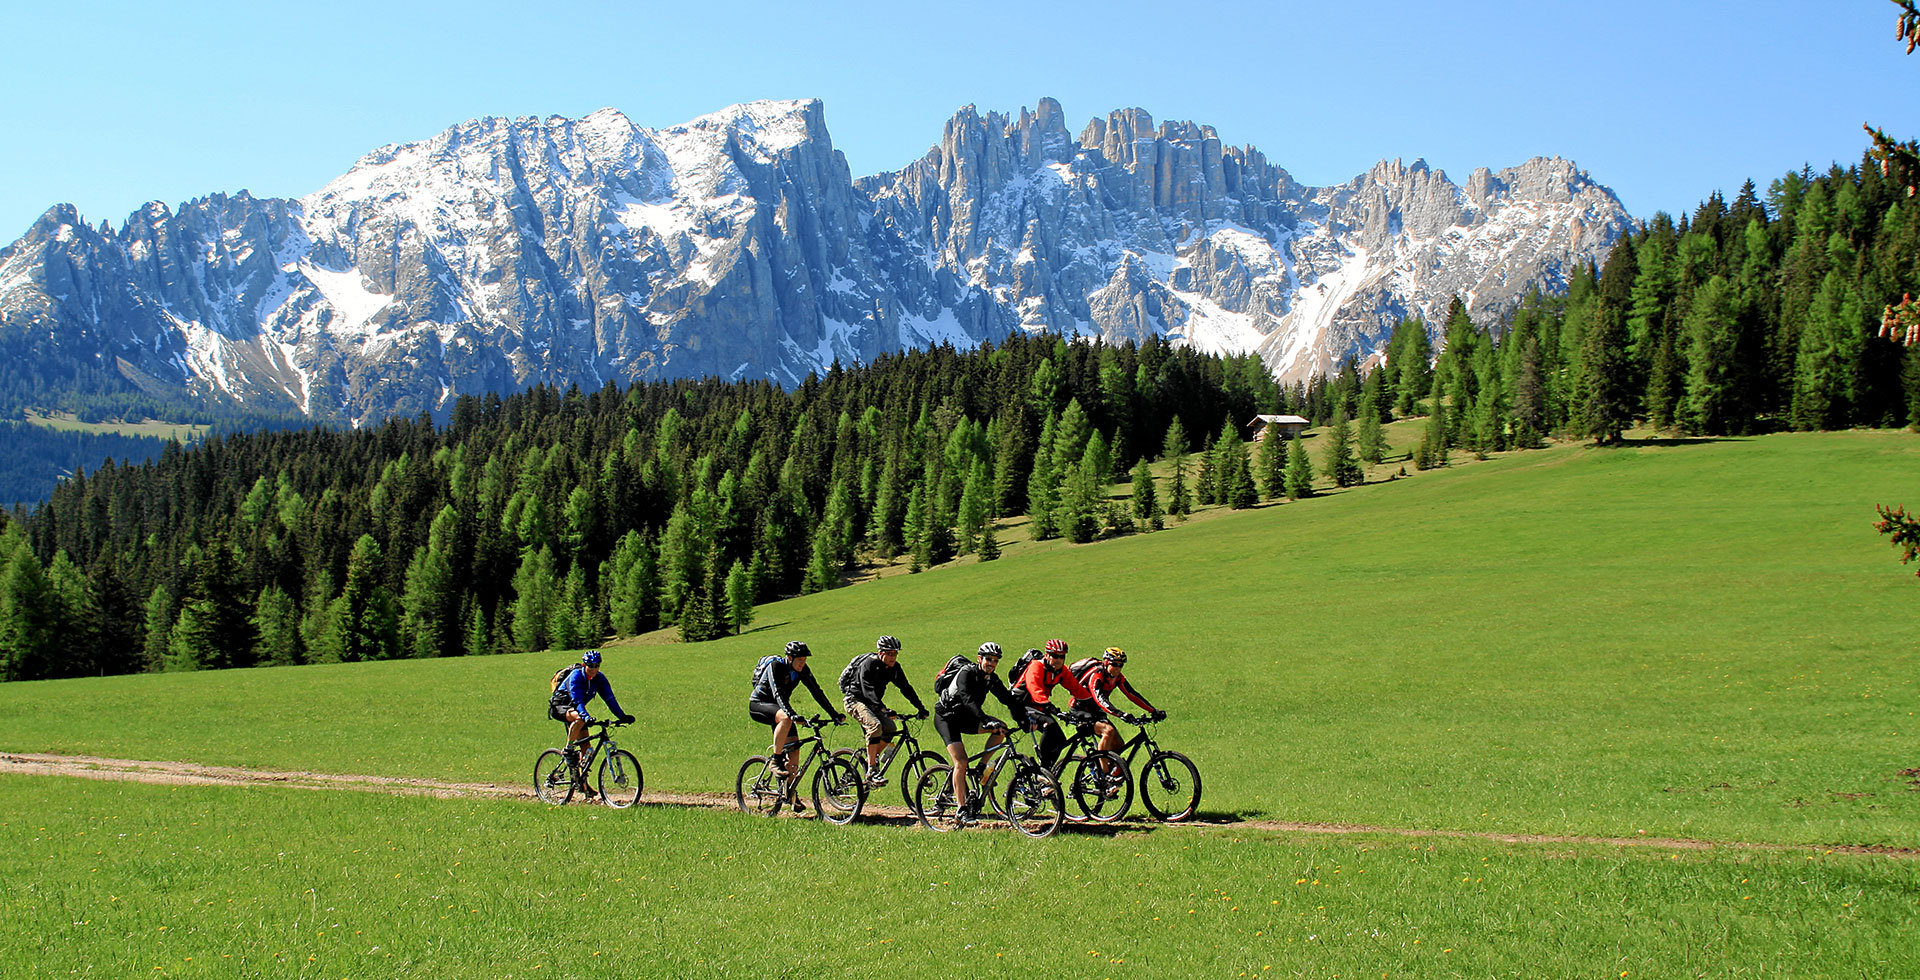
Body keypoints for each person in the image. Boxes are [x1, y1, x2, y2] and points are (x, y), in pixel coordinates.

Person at [931, 642, 1023, 825]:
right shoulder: (966, 673)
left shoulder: (991, 679)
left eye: (995, 661)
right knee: (961, 761)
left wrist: (1024, 718)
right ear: (979, 658)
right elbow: (966, 698)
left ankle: (981, 768)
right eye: (989, 659)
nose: (992, 663)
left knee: (1001, 729)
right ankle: (961, 809)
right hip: (947, 719)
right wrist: (983, 719)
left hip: (967, 717)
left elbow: (1007, 699)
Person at [748, 641, 845, 802]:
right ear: (789, 658)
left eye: (804, 660)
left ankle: (789, 793)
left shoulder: (802, 671)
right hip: (760, 705)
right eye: (800, 660)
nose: (803, 663)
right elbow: (777, 693)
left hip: (781, 709)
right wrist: (792, 714)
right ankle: (775, 760)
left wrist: (834, 714)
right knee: (785, 719)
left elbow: (816, 692)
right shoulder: (776, 667)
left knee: (795, 751)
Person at [839, 635, 929, 787]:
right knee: (875, 726)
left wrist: (920, 708)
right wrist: (883, 709)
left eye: (895, 653)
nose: (893, 657)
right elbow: (867, 690)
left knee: (891, 729)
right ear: (881, 653)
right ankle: (872, 770)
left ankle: (869, 760)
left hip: (873, 703)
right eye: (890, 653)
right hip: (855, 700)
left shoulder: (894, 668)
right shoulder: (869, 664)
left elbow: (906, 688)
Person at [549, 650, 634, 794]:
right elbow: (577, 701)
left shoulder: (599, 679)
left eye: (597, 665)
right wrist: (585, 716)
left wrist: (622, 716)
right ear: (584, 664)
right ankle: (568, 749)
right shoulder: (576, 676)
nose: (594, 669)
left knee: (586, 748)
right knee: (580, 719)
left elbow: (610, 699)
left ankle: (583, 785)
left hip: (578, 711)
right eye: (591, 665)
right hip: (561, 706)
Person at [1011, 638, 1098, 769]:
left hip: (1039, 707)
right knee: (1049, 725)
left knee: (1060, 740)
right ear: (1047, 655)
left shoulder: (1061, 670)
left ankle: (1049, 771)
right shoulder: (1036, 666)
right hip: (1021, 705)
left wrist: (1094, 706)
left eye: (1062, 656)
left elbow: (1077, 689)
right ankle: (1043, 770)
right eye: (1054, 656)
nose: (1058, 659)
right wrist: (1053, 709)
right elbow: (1035, 689)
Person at [1067, 646, 1165, 757]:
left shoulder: (1117, 677)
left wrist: (1153, 710)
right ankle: (1105, 772)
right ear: (1106, 662)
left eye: (1120, 665)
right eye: (1114, 664)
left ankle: (1116, 771)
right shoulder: (1096, 675)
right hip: (1080, 710)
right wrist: (1121, 714)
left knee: (1119, 745)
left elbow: (1132, 694)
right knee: (1108, 731)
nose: (1118, 668)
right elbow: (1100, 700)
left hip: (1095, 711)